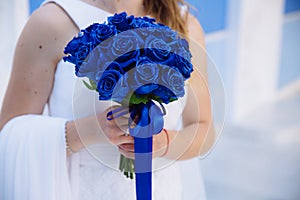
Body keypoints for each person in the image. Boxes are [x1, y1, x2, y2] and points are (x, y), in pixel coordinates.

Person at [0, 0, 214, 199]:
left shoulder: (185, 25)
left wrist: (163, 143)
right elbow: (9, 133)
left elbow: (203, 128)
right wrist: (90, 129)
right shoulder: (52, 22)